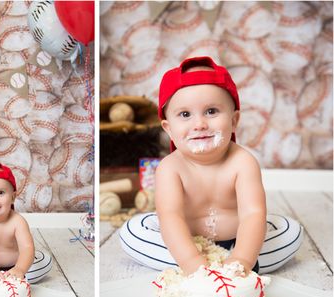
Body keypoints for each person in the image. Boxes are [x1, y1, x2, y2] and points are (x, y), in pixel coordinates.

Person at [119, 56, 303, 275]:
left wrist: (242, 258)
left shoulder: (243, 162)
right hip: (186, 242)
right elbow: (171, 216)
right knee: (132, 231)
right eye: (185, 114)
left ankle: (237, 264)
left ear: (234, 120)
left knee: (291, 231)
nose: (200, 124)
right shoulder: (170, 168)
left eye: (211, 111)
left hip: (238, 241)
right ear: (168, 128)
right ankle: (196, 265)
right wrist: (190, 260)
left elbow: (253, 214)